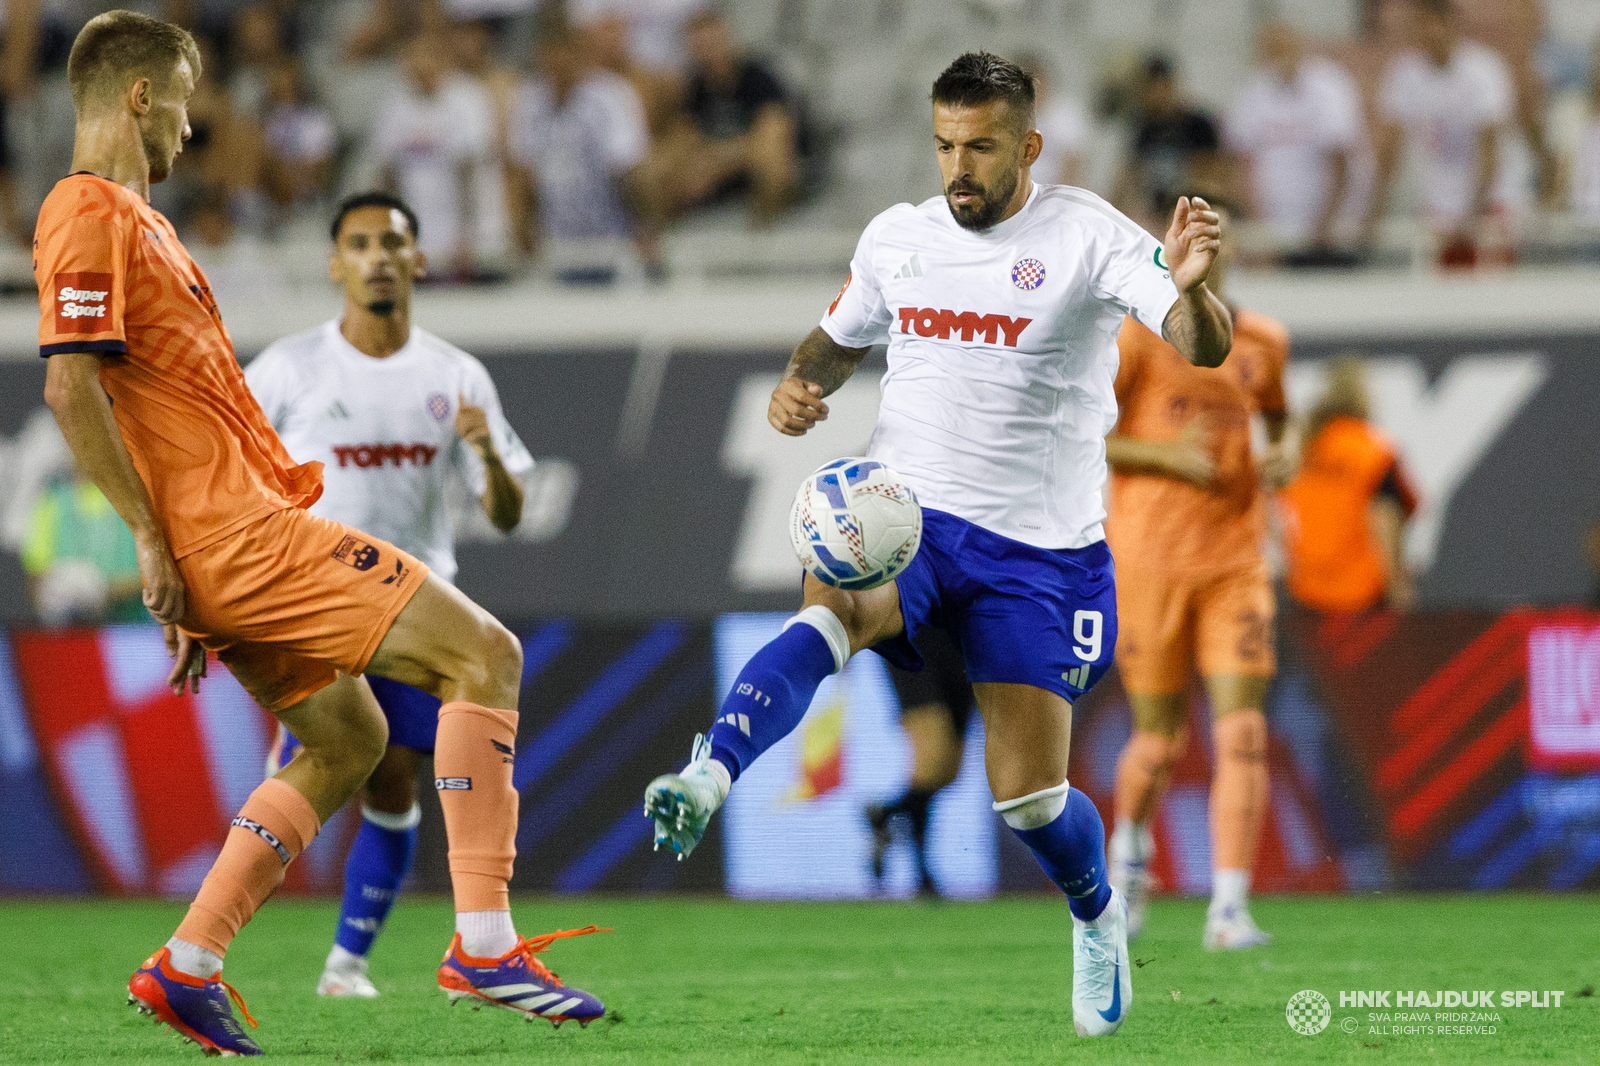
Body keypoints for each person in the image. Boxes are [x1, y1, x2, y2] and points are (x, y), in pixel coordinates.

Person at [35, 12, 603, 1055]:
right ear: (139, 98)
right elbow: (71, 387)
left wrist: (185, 569)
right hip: (236, 541)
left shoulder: (141, 223)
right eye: (186, 101)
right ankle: (484, 941)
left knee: (351, 738)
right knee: (488, 656)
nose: (194, 129)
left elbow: (149, 402)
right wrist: (157, 546)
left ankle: (188, 962)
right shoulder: (86, 209)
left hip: (225, 549)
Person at [643, 51, 1232, 1038]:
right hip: (908, 515)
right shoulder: (897, 239)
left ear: (1027, 146)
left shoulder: (1087, 235)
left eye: (981, 147)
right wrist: (804, 384)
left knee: (1029, 802)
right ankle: (711, 770)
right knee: (830, 604)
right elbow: (835, 337)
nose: (958, 166)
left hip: (1040, 552)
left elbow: (1195, 339)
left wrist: (1201, 291)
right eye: (945, 145)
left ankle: (1095, 914)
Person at [247, 191, 534, 998]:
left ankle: (346, 965)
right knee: (324, 769)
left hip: (413, 610)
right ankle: (206, 944)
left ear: (418, 259)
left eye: (393, 242)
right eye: (361, 243)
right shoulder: (287, 369)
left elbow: (504, 515)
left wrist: (491, 457)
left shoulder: (454, 375)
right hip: (312, 603)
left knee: (396, 779)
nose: (378, 256)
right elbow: (232, 480)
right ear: (337, 263)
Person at [1101, 222, 1292, 950]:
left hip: (1236, 563)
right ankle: (1131, 862)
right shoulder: (1137, 338)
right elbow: (1085, 430)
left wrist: (1285, 452)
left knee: (1242, 732)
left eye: (1224, 235)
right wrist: (1166, 455)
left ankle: (1230, 907)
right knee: (1158, 738)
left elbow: (1279, 418)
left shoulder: (1265, 340)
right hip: (1149, 562)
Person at [1367, 0, 1521, 267]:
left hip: (1487, 198)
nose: (1425, 33)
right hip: (1437, 202)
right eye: (1419, 26)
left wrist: (1473, 214)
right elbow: (1390, 150)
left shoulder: (1482, 69)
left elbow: (1489, 149)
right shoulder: (1405, 73)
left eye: (1430, 25)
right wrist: (1375, 210)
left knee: (1492, 291)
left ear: (1451, 26)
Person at [507, 20, 651, 272]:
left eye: (566, 55)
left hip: (611, 240)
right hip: (556, 243)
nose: (559, 64)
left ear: (581, 55)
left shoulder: (610, 97)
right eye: (552, 56)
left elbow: (629, 169)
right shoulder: (529, 102)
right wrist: (521, 230)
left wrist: (644, 228)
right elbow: (522, 173)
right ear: (542, 57)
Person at [1280, 357, 1420, 613]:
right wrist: (1398, 584)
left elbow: (1280, 518)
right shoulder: (1373, 452)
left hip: (1308, 593)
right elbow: (1384, 517)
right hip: (1362, 595)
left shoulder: (1302, 450)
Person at [636, 10, 797, 225]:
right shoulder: (694, 89)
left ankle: (765, 234)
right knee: (656, 166)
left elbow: (771, 134)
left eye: (711, 44)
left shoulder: (757, 79)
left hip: (749, 169)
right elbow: (684, 137)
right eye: (699, 47)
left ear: (726, 41)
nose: (706, 53)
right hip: (718, 171)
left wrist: (716, 167)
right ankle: (663, 235)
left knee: (771, 157)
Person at [1224, 22, 1363, 256]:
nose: (1281, 56)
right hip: (1271, 224)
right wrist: (1258, 227)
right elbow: (1242, 165)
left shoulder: (1329, 87)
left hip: (1322, 226)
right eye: (1273, 50)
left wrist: (1325, 221)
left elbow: (1340, 161)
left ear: (1301, 46)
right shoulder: (1253, 92)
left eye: (1286, 47)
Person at [371, 30, 500, 279]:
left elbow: (469, 173)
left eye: (425, 60)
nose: (418, 68)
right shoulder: (396, 105)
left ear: (441, 61)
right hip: (419, 237)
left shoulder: (466, 99)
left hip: (461, 240)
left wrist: (466, 236)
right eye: (411, 61)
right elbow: (388, 178)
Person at [866, 626, 974, 896]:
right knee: (931, 760)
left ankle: (885, 815)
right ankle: (923, 874)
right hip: (911, 636)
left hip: (965, 639)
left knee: (948, 772)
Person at [23, 464, 147, 625]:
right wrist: (59, 593)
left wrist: (101, 591)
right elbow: (35, 574)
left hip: (129, 633)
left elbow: (155, 579)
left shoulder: (137, 504)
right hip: (67, 632)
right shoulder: (54, 501)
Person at [1115, 54, 1225, 232]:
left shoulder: (1198, 126)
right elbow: (1129, 176)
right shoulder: (1144, 128)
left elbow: (1208, 180)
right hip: (1158, 216)